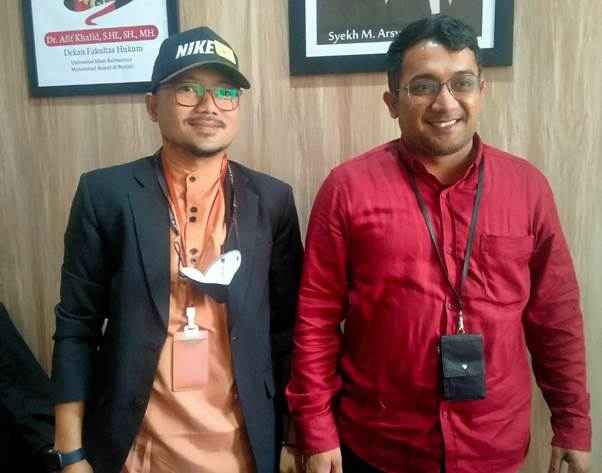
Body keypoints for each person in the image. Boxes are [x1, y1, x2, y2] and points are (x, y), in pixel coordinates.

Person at [286, 15, 591, 473]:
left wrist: (572, 423)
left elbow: (556, 316)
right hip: (379, 445)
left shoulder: (527, 189)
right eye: (423, 86)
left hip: (493, 446)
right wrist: (316, 430)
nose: (445, 102)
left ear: (481, 91)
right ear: (392, 101)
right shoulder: (347, 190)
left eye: (461, 83)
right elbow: (315, 319)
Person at [51, 26, 303, 473]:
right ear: (153, 105)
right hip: (136, 451)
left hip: (244, 450)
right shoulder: (105, 194)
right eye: (188, 89)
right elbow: (76, 326)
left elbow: (288, 331)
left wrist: (294, 435)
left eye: (225, 92)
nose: (209, 106)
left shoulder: (272, 200)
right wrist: (70, 452)